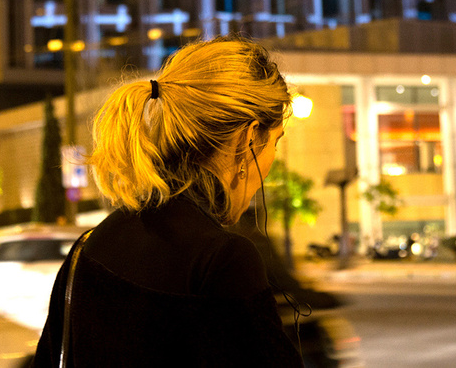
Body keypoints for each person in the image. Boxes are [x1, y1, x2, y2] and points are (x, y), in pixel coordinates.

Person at [33, 37, 302, 367]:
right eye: (274, 142)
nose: (272, 158)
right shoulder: (222, 261)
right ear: (248, 138)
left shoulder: (89, 247)